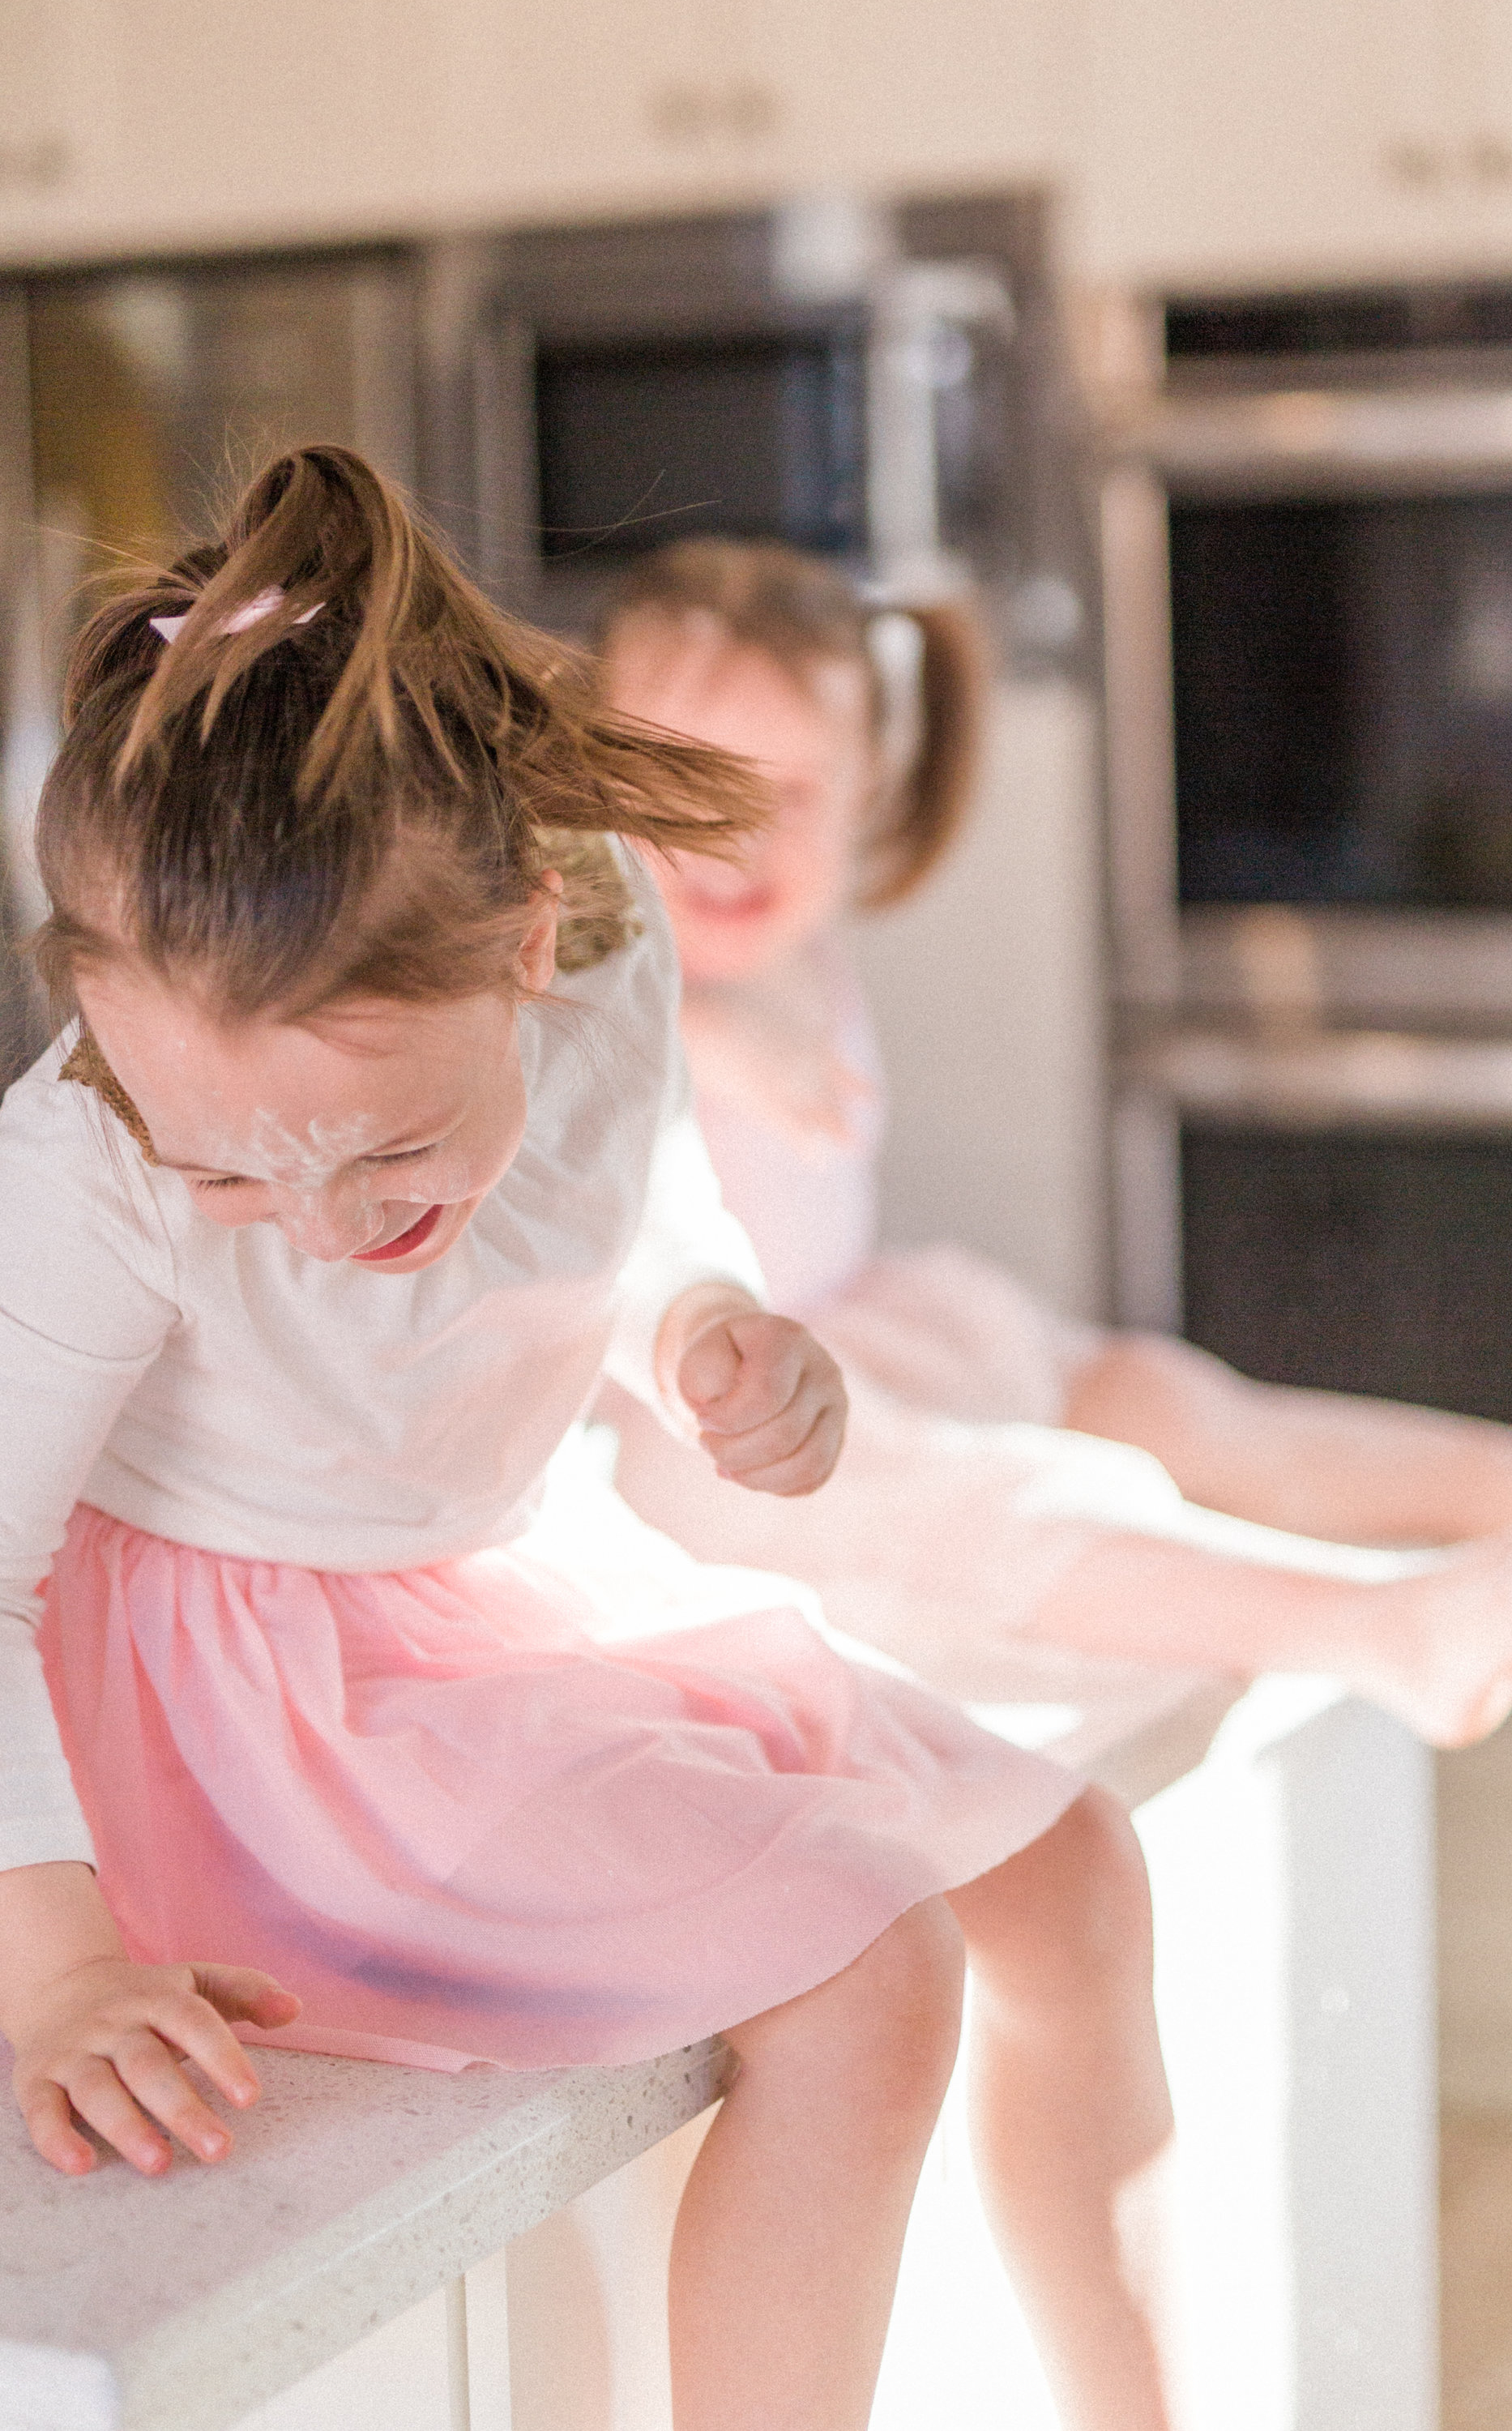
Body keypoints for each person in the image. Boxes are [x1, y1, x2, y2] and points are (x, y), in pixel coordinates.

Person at [0, 449, 1234, 2431]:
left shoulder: (609, 935)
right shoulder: (84, 1158)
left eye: (390, 1147)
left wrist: (704, 1329)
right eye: (234, 1176)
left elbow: (621, 1186)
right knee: (870, 1978)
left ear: (519, 945)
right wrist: (50, 1968)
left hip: (489, 1582)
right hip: (250, 1715)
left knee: (1075, 1861)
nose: (321, 1215)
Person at [592, 538, 1512, 1749]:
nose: (733, 837)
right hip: (699, 1422)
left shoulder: (797, 944)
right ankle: (1379, 1625)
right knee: (999, 1503)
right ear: (588, 783)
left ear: (869, 795)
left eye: (790, 793)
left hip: (859, 1323)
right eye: (679, 783)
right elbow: (560, 1010)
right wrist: (700, 1026)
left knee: (1173, 1404)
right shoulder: (605, 968)